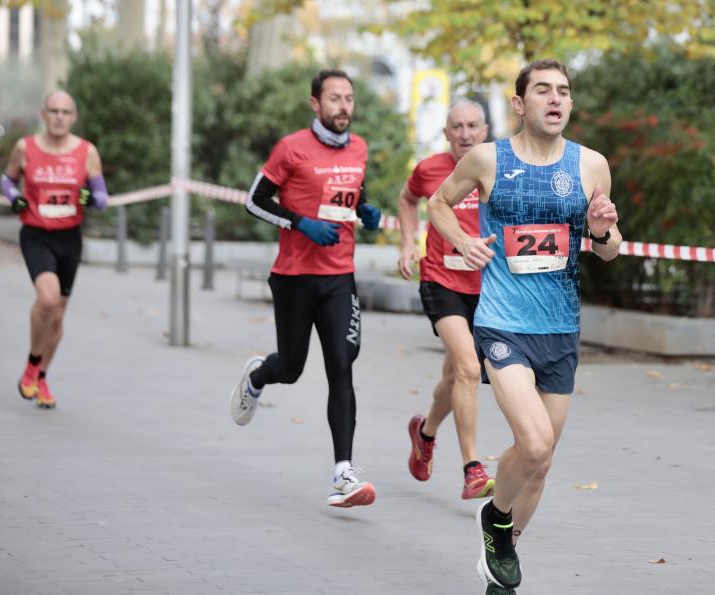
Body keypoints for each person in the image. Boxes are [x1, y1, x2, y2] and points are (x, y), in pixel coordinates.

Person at [427, 60, 621, 590]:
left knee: (542, 463)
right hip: (502, 324)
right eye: (543, 90)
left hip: (560, 330)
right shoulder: (487, 158)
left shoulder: (592, 166)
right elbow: (437, 203)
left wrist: (603, 233)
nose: (556, 100)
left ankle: (499, 564)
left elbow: (610, 249)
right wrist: (461, 242)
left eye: (564, 91)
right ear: (520, 103)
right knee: (533, 445)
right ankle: (496, 518)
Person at [230, 69, 381, 508]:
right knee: (292, 367)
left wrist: (367, 211)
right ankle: (259, 375)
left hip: (339, 275)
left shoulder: (359, 147)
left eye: (349, 99)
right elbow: (254, 200)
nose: (344, 107)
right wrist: (301, 224)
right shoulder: (291, 148)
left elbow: (351, 192)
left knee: (341, 364)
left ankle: (344, 474)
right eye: (334, 99)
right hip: (295, 275)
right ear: (315, 103)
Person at [397, 100, 495, 500]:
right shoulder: (430, 169)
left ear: (485, 130)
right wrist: (407, 243)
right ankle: (473, 469)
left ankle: (424, 433)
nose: (466, 133)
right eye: (457, 126)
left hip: (488, 286)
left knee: (455, 377)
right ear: (446, 133)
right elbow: (407, 199)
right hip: (441, 279)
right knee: (469, 368)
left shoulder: (496, 167)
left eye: (473, 125)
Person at [2, 91, 109, 409]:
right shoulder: (26, 147)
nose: (60, 116)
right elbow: (7, 181)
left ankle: (42, 377)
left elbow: (103, 197)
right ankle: (33, 362)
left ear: (74, 117)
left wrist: (92, 197)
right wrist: (14, 198)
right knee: (47, 299)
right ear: (44, 114)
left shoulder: (86, 152)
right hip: (36, 235)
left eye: (66, 111)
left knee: (58, 317)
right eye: (54, 111)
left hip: (69, 239)